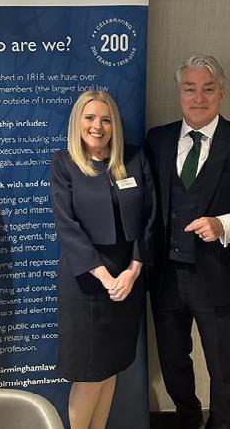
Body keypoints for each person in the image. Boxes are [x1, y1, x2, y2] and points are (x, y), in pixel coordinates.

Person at [145, 55, 230, 429]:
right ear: (179, 93)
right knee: (172, 361)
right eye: (190, 89)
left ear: (221, 93)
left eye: (208, 88)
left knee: (223, 366)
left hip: (220, 276)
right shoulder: (158, 140)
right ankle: (188, 419)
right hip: (166, 276)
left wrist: (224, 224)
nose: (198, 97)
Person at [50, 90, 156, 429]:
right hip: (86, 281)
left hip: (128, 277)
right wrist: (106, 277)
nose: (98, 126)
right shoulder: (64, 163)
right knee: (89, 373)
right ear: (78, 122)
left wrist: (133, 270)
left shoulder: (135, 159)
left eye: (106, 119)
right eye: (90, 118)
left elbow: (150, 217)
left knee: (111, 367)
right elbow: (67, 226)